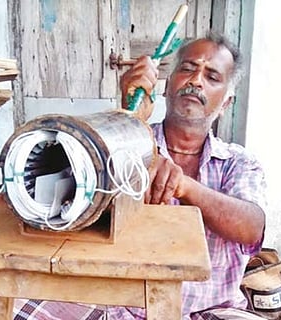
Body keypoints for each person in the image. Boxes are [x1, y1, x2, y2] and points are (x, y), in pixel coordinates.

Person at [14, 30, 267, 320]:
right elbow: (78, 209)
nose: (196, 80)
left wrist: (184, 186)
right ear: (166, 86)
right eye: (187, 69)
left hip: (210, 311)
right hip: (120, 306)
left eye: (211, 77)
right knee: (23, 308)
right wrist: (130, 121)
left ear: (225, 103)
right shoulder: (124, 143)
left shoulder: (238, 162)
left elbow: (252, 228)